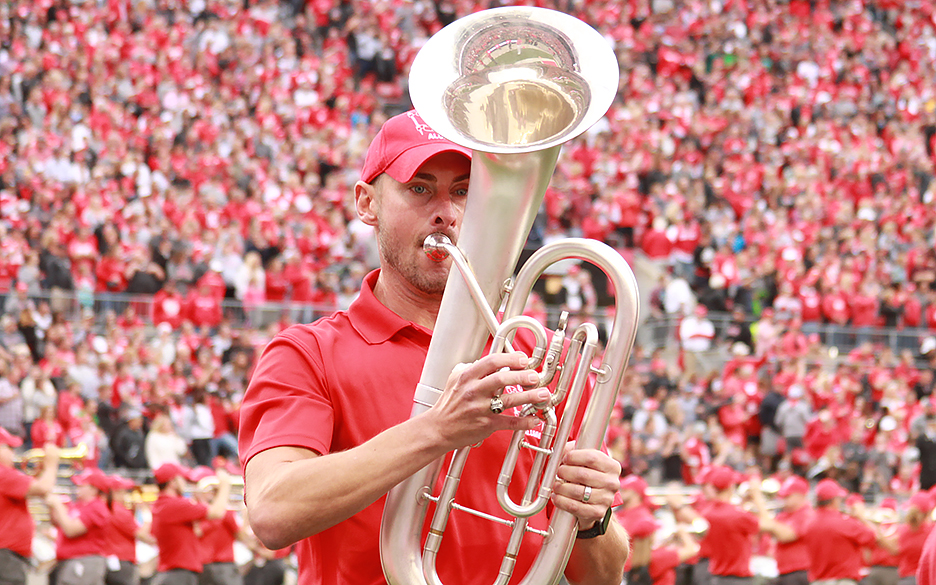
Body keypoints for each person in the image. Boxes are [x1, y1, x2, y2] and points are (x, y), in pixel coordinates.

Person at [238, 110, 629, 585]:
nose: (446, 210)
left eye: (464, 190)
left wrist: (591, 520)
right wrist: (438, 429)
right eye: (419, 189)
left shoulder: (547, 356)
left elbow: (604, 576)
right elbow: (273, 510)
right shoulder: (306, 352)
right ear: (367, 203)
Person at [150, 463, 232, 585]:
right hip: (179, 575)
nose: (185, 482)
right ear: (173, 482)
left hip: (174, 575)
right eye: (182, 478)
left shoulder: (162, 504)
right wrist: (225, 485)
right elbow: (217, 512)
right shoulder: (174, 505)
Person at [0, 429, 60, 585]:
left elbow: (33, 488)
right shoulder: (3, 473)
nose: (14, 453)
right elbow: (43, 488)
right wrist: (52, 465)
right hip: (6, 556)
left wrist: (41, 473)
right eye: (10, 448)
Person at [802, 479, 886, 585]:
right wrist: (862, 517)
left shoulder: (809, 523)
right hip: (842, 581)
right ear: (834, 500)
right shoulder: (844, 522)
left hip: (817, 581)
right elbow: (875, 538)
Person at [46, 468, 113, 585]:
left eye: (82, 485)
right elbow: (58, 522)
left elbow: (71, 530)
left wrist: (57, 505)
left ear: (94, 489)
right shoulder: (79, 505)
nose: (77, 486)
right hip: (71, 561)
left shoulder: (97, 508)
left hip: (84, 562)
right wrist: (51, 505)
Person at [699, 466, 763, 585]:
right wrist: (757, 496)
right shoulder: (739, 515)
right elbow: (766, 524)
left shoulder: (706, 513)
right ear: (731, 486)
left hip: (716, 578)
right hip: (738, 579)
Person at [754, 475, 813, 585]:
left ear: (800, 495)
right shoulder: (784, 515)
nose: (783, 499)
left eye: (787, 496)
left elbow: (786, 535)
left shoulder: (807, 514)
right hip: (784, 572)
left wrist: (758, 499)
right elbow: (763, 526)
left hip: (800, 572)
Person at [193, 470, 248, 585]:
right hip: (222, 568)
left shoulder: (197, 512)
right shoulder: (223, 512)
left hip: (205, 567)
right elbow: (241, 536)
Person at [104, 475, 146, 585]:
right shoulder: (119, 510)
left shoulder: (104, 508)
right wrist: (146, 514)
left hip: (108, 560)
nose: (125, 495)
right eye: (122, 492)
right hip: (122, 562)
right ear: (115, 492)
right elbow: (141, 534)